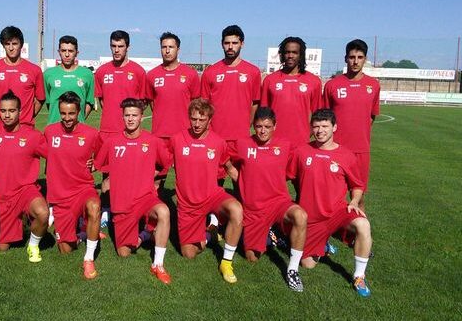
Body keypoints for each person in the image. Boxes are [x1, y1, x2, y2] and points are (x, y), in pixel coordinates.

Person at [290, 109, 373, 297]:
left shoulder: (346, 155)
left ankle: (359, 276)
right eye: (316, 126)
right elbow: (289, 176)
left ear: (334, 127)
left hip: (337, 211)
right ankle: (324, 245)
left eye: (325, 126)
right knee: (308, 264)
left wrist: (354, 200)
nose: (320, 130)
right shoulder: (302, 152)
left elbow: (357, 185)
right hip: (311, 218)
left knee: (363, 224)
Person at [226, 107, 308, 291]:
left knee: (300, 215)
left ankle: (292, 270)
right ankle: (274, 234)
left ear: (275, 126)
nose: (263, 131)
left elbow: (297, 168)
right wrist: (235, 174)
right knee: (251, 258)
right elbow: (224, 155)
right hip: (253, 209)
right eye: (258, 126)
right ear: (253, 126)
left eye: (267, 126)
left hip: (278, 202)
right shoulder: (242, 143)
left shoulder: (286, 145)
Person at [93, 98, 172, 284]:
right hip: (122, 203)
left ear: (141, 117)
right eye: (127, 115)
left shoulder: (152, 141)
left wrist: (155, 180)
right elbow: (97, 164)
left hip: (145, 198)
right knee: (124, 253)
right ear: (122, 117)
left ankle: (158, 264)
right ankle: (145, 234)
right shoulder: (112, 141)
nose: (130, 119)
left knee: (164, 211)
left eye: (134, 115)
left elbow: (166, 163)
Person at [169, 98, 243, 283]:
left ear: (210, 120)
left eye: (202, 120)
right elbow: (160, 162)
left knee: (236, 210)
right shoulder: (177, 140)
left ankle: (226, 262)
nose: (197, 124)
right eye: (193, 119)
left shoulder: (218, 142)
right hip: (187, 202)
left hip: (212, 194)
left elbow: (230, 169)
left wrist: (250, 188)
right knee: (189, 253)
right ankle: (211, 234)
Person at [42, 92, 102, 279]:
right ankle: (85, 232)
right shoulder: (50, 132)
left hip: (83, 189)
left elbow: (102, 156)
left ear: (79, 112)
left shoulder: (91, 134)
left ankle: (89, 258)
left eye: (71, 114)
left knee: (94, 207)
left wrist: (95, 164)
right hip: (61, 198)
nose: (67, 118)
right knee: (66, 250)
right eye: (63, 113)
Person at [0, 90, 49, 263]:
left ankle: (33, 245)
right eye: (3, 111)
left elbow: (56, 155)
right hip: (3, 196)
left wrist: (84, 162)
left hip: (25, 190)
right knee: (2, 248)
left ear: (20, 112)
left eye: (12, 110)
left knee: (43, 213)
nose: (7, 115)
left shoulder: (33, 136)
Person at [323, 39, 380, 211]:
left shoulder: (373, 85)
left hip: (361, 150)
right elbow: (324, 118)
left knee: (359, 198)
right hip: (335, 149)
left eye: (360, 57)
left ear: (365, 59)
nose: (355, 61)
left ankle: (359, 237)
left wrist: (358, 134)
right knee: (328, 197)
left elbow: (372, 116)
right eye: (352, 57)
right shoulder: (332, 85)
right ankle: (322, 236)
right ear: (345, 58)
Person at [200, 25, 261, 177]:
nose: (230, 47)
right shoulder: (210, 71)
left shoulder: (253, 71)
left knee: (242, 181)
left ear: (242, 44)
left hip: (241, 137)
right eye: (227, 43)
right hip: (215, 135)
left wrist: (247, 124)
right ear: (222, 44)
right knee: (214, 180)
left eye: (234, 43)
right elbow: (204, 105)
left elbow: (255, 102)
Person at [145, 32, 200, 188]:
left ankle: (184, 212)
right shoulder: (152, 75)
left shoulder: (190, 74)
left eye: (171, 47)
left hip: (184, 135)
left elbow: (196, 104)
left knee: (186, 180)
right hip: (159, 136)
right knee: (156, 180)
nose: (167, 50)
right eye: (164, 47)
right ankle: (157, 212)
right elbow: (151, 102)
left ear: (178, 49)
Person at [260, 36, 321, 146]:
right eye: (287, 52)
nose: (290, 56)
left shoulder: (314, 81)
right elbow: (263, 114)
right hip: (274, 142)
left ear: (301, 55)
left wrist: (308, 133)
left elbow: (318, 115)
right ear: (282, 54)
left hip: (302, 142)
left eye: (294, 52)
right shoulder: (270, 80)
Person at [0, 26, 45, 128]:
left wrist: (27, 117)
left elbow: (40, 99)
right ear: (3, 46)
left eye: (15, 44)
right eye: (7, 44)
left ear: (21, 45)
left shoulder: (35, 70)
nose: (11, 48)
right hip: (0, 127)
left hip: (25, 127)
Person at [94, 30, 147, 139]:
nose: (116, 50)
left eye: (121, 46)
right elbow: (102, 101)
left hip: (130, 132)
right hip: (107, 130)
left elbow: (142, 102)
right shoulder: (101, 71)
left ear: (128, 47)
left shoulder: (139, 71)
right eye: (113, 46)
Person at [43, 35, 95, 124]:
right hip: (54, 127)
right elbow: (49, 103)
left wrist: (80, 119)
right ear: (59, 52)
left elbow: (89, 102)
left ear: (76, 52)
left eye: (70, 51)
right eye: (63, 51)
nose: (67, 54)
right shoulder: (48, 74)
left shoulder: (87, 74)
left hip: (78, 129)